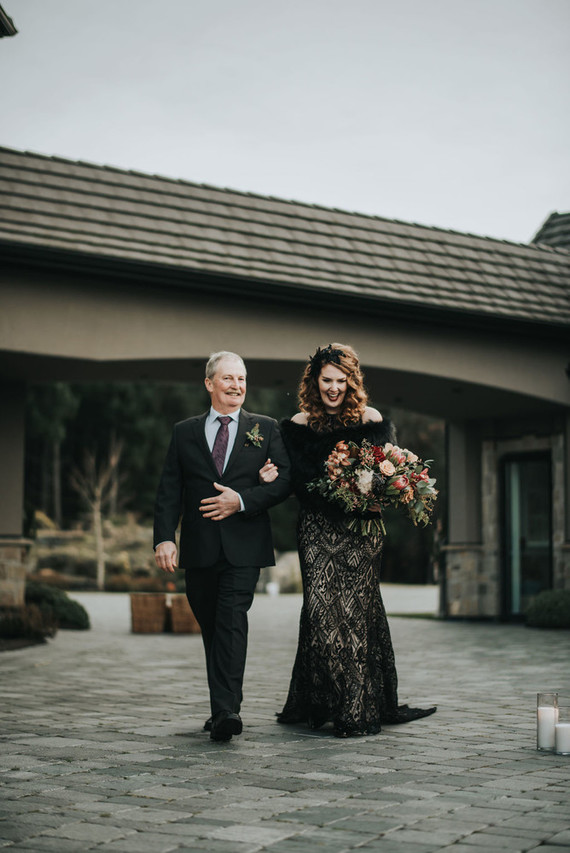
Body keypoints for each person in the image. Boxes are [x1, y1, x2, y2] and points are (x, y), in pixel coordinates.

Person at [277, 343, 436, 738]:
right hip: (315, 529)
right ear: (314, 382)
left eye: (340, 381)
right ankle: (327, 696)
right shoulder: (297, 424)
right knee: (319, 612)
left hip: (360, 532)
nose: (333, 389)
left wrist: (383, 485)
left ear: (352, 382)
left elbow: (382, 478)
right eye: (326, 381)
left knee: (353, 616)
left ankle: (355, 707)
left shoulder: (371, 419)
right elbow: (295, 482)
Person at [154, 351, 291, 742]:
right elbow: (169, 490)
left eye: (242, 379)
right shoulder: (184, 431)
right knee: (212, 626)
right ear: (209, 383)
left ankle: (226, 712)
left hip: (244, 547)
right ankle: (223, 704)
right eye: (228, 378)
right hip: (199, 549)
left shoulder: (264, 429)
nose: (236, 385)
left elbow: (284, 483)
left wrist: (244, 499)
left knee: (231, 621)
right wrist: (165, 537)